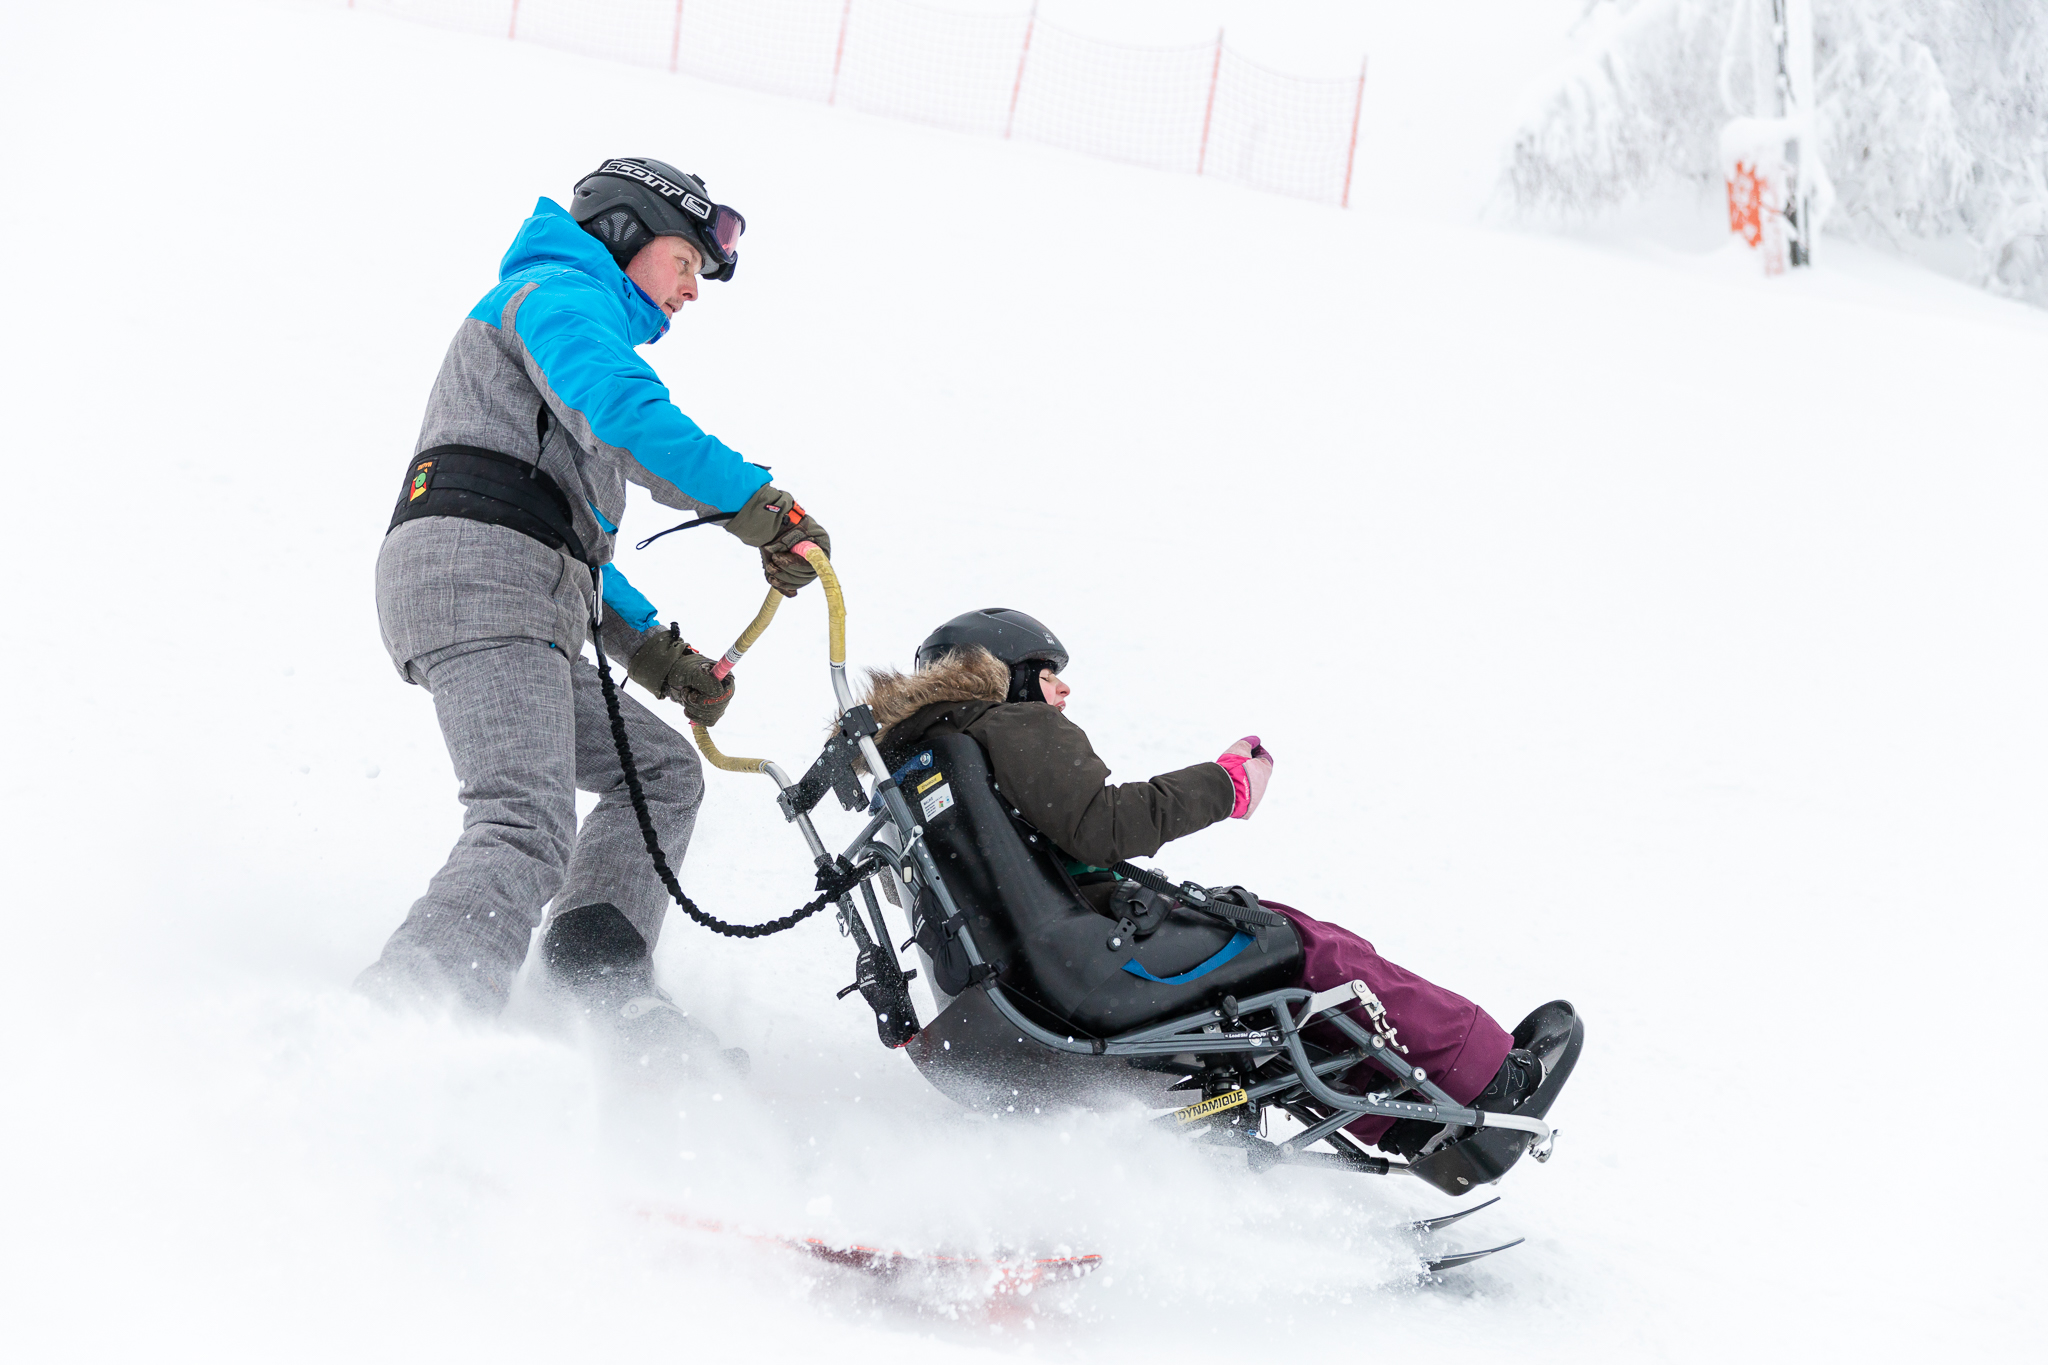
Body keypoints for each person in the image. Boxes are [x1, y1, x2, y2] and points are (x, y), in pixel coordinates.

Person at [359, 158, 828, 1071]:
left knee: (661, 773)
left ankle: (597, 970)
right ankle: (396, 1031)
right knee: (524, 819)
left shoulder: (572, 319)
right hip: (481, 577)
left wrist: (655, 654)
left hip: (517, 581)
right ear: (624, 231)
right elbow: (622, 411)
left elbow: (568, 536)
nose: (692, 291)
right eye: (686, 262)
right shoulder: (557, 293)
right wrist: (758, 504)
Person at [861, 609, 1544, 1157]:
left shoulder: (914, 776)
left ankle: (1397, 1120)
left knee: (1260, 996)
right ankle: (1490, 1077)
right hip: (1089, 975)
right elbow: (1104, 824)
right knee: (1308, 948)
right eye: (1046, 674)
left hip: (995, 1006)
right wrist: (1227, 784)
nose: (1062, 691)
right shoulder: (1007, 724)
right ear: (1002, 677)